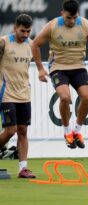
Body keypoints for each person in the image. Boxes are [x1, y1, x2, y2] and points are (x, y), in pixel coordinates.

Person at [31, 0, 88, 149]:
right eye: (68, 18)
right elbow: (35, 44)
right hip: (58, 67)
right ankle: (67, 132)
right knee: (65, 97)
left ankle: (77, 131)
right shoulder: (52, 26)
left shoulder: (85, 25)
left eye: (74, 17)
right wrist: (40, 69)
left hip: (78, 67)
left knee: (87, 97)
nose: (72, 21)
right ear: (62, 14)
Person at [0, 14, 35, 178]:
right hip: (6, 93)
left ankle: (23, 169)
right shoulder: (4, 42)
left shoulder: (31, 45)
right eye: (22, 31)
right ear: (15, 28)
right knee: (10, 131)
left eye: (28, 31)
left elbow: (41, 62)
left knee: (23, 131)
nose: (26, 34)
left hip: (24, 94)